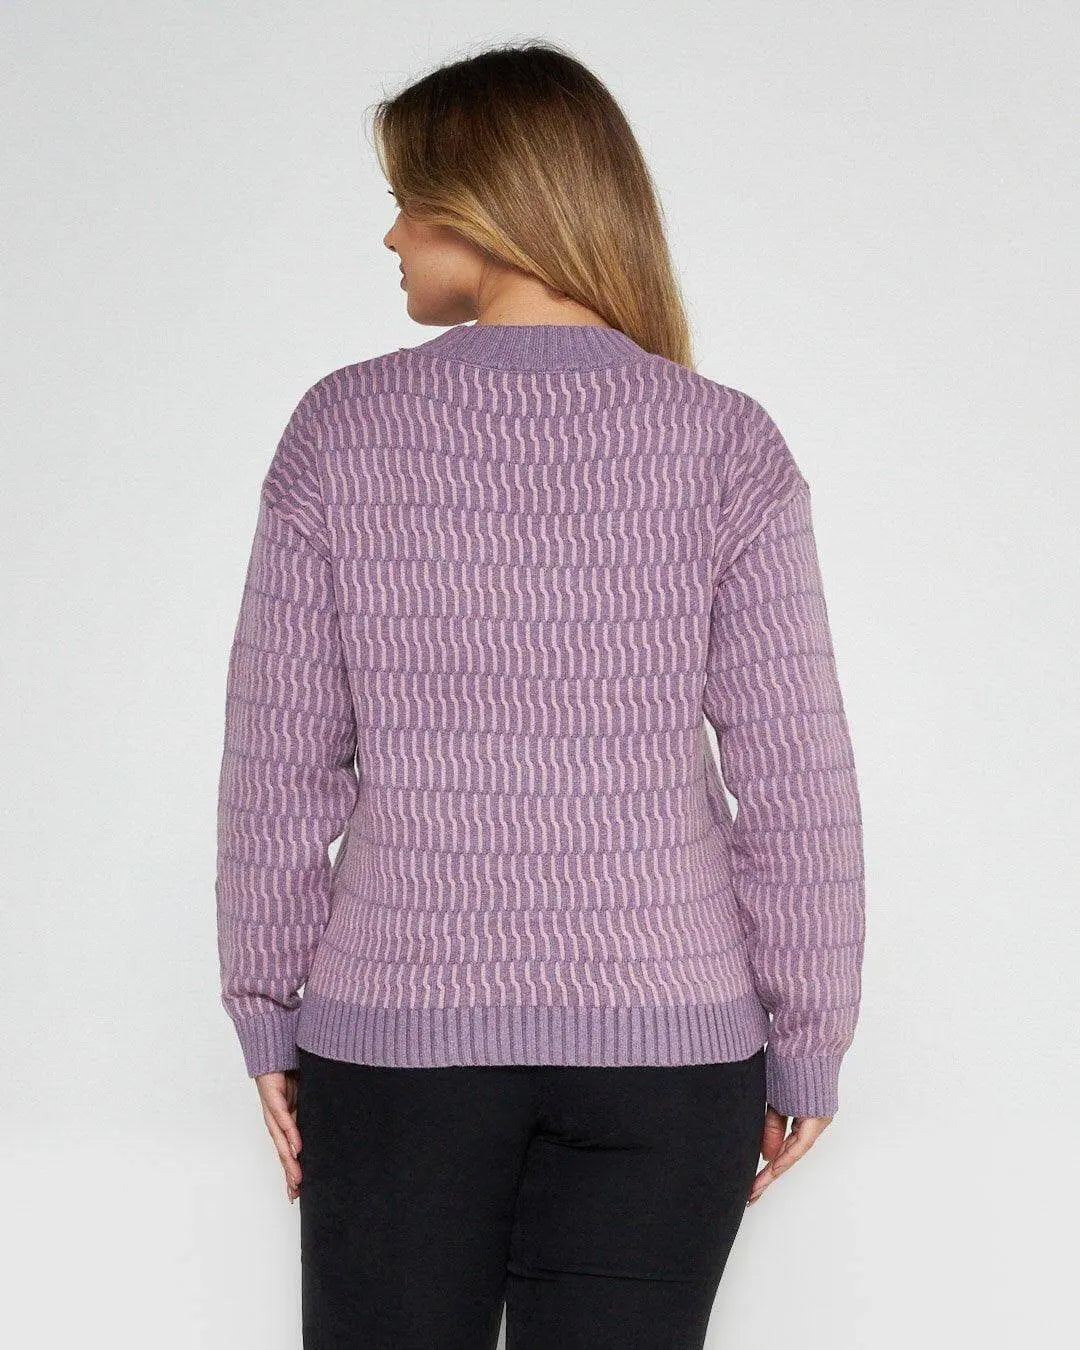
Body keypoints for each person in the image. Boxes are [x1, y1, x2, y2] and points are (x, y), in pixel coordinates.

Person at [214, 39, 866, 1350]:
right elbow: (794, 774)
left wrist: (268, 1009)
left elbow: (281, 762)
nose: (391, 234)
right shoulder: (724, 440)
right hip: (673, 1057)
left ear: (489, 204)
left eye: (411, 199)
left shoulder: (341, 429)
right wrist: (810, 1033)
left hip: (395, 1049)